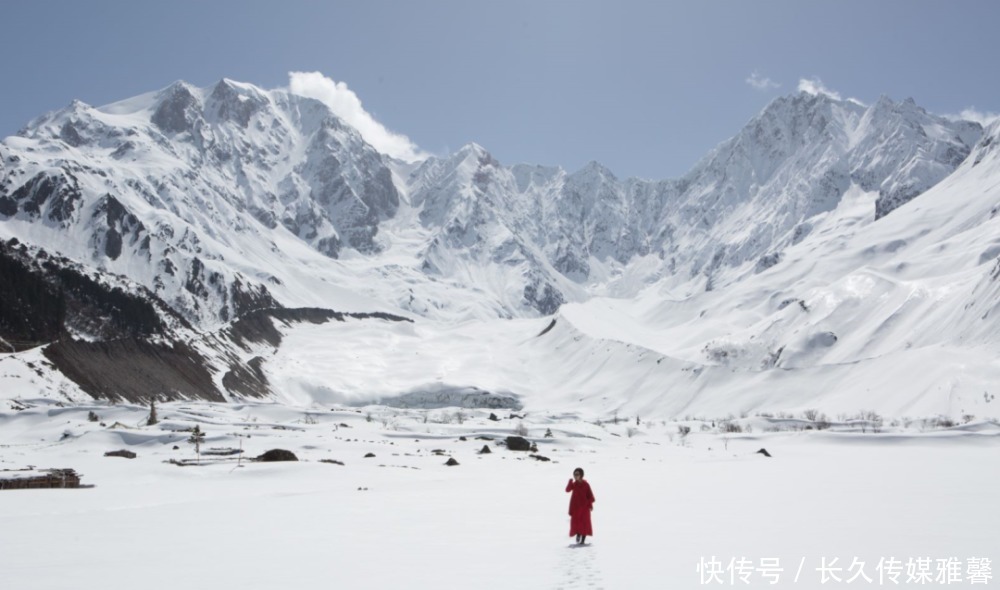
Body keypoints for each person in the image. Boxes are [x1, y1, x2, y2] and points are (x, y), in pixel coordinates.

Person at [565, 467, 595, 544]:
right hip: (576, 508)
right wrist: (570, 482)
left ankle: (582, 541)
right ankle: (578, 535)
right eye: (574, 474)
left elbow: (590, 496)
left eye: (577, 474)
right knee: (576, 522)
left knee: (585, 523)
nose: (575, 476)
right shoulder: (574, 484)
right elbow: (567, 490)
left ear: (581, 475)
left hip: (585, 507)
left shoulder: (586, 485)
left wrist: (590, 505)